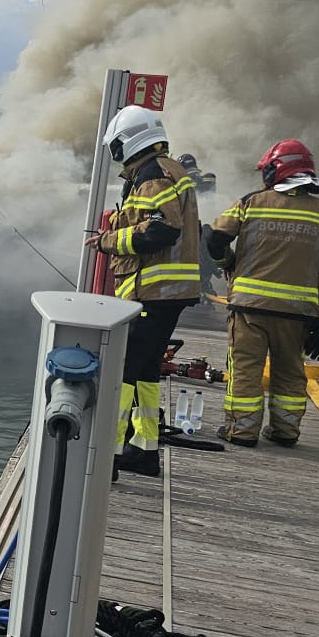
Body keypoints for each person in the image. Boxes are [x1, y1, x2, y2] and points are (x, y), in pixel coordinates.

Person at [206, 139, 319, 447]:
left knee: (246, 370)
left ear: (276, 171)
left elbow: (215, 238)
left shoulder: (251, 202)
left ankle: (241, 431)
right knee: (290, 372)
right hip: (298, 312)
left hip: (249, 308)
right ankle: (285, 431)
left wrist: (226, 263)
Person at [86, 106, 203, 478]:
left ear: (127, 142)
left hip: (153, 291)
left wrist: (110, 241)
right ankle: (145, 449)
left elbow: (160, 230)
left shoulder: (153, 176)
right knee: (146, 373)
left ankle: (112, 451)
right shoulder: (168, 170)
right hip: (166, 293)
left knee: (123, 371)